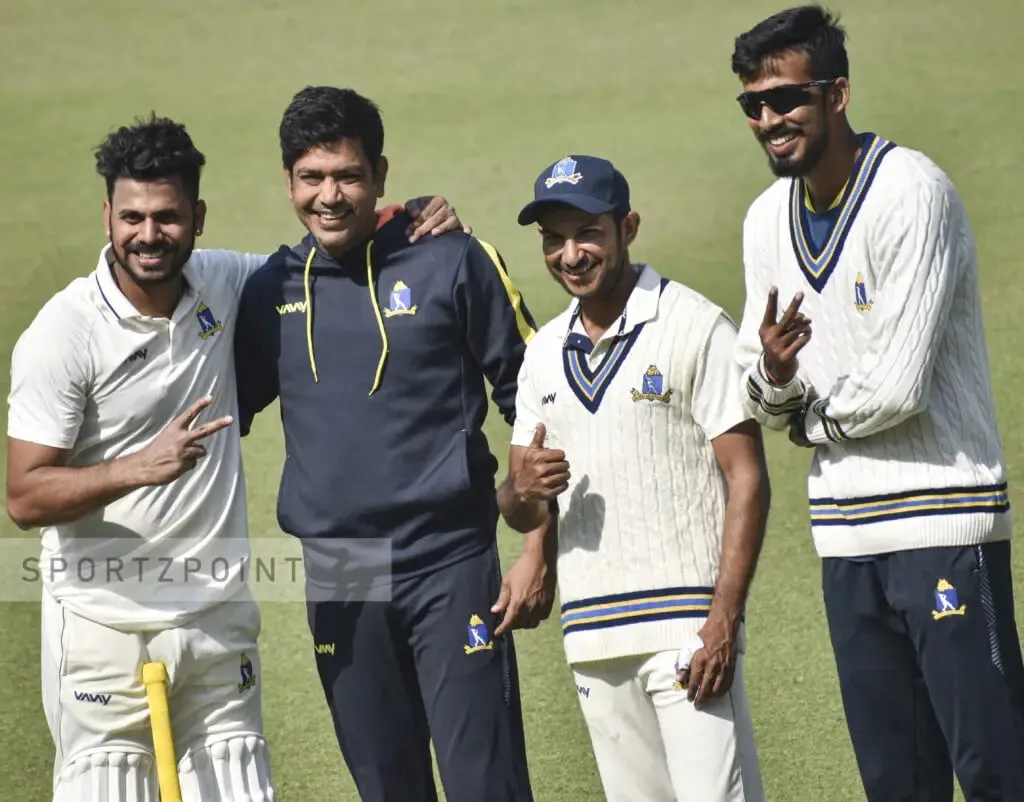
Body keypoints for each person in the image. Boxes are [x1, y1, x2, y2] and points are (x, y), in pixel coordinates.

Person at [4, 113, 464, 802]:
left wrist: (410, 214)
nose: (149, 235)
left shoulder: (229, 284)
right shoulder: (64, 334)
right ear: (107, 215)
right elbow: (23, 497)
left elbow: (326, 260)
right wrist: (138, 466)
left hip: (217, 620)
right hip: (104, 628)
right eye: (132, 217)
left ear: (198, 215)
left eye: (168, 217)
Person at [730, 6, 1024, 801]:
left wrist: (804, 414)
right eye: (754, 104)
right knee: (896, 781)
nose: (769, 119)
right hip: (846, 539)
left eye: (787, 98)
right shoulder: (765, 222)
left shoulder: (912, 192)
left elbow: (900, 385)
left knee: (997, 772)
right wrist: (780, 383)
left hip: (945, 523)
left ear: (839, 92)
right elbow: (757, 382)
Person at [234, 86, 547, 802]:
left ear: (379, 173)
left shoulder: (454, 260)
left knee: (485, 785)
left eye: (347, 175)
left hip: (450, 559)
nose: (330, 196)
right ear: (288, 184)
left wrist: (539, 546)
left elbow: (537, 405)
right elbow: (221, 413)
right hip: (340, 568)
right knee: (387, 786)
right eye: (311, 178)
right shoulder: (269, 291)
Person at [497, 154, 770, 802]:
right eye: (553, 239)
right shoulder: (540, 356)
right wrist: (520, 495)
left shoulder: (694, 324)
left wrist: (723, 617)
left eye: (587, 231)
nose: (570, 254)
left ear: (628, 227)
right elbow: (519, 504)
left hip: (686, 631)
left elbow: (748, 478)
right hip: (592, 635)